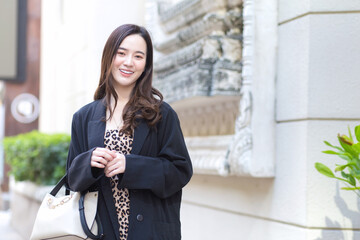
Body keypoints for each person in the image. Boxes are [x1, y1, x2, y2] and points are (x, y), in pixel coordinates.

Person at [66, 24, 193, 240]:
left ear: (146, 65)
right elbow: (72, 180)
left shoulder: (162, 114)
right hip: (99, 230)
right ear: (109, 56)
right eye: (121, 53)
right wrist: (90, 162)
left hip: (150, 231)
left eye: (138, 56)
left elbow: (180, 171)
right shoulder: (83, 117)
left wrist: (131, 165)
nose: (128, 62)